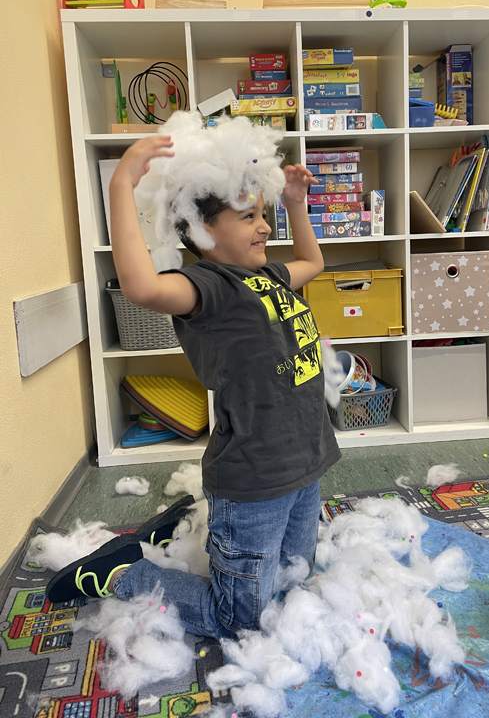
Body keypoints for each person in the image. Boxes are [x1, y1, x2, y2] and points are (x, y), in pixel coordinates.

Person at [46, 121, 341, 639]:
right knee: (240, 619)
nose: (264, 227)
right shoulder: (208, 287)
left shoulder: (270, 277)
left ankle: (181, 525)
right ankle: (124, 571)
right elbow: (140, 286)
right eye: (248, 216)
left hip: (307, 463)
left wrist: (295, 202)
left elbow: (313, 261)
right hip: (253, 480)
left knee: (294, 582)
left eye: (264, 215)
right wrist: (122, 183)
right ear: (203, 229)